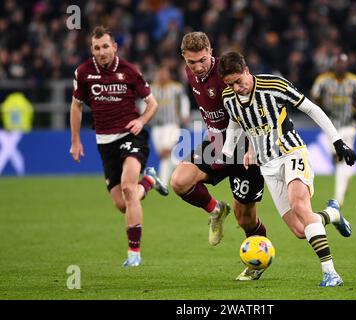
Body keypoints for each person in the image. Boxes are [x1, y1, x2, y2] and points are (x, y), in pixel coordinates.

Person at [218, 51, 356, 287]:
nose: (236, 88)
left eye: (239, 81)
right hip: (267, 166)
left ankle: (331, 273)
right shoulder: (228, 97)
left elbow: (311, 109)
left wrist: (337, 140)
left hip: (291, 152)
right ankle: (332, 214)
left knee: (299, 204)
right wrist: (229, 152)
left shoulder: (274, 86)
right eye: (230, 84)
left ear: (247, 71)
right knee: (301, 230)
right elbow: (235, 121)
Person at [170, 32, 267, 281]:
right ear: (184, 59)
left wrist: (253, 147)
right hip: (217, 142)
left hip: (245, 145)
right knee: (179, 181)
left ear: (211, 51)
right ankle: (215, 210)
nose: (199, 67)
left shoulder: (227, 74)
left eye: (203, 60)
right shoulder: (190, 73)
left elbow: (254, 104)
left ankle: (258, 261)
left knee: (245, 218)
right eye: (192, 62)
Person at [69, 26, 169, 267]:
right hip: (105, 143)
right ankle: (150, 181)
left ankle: (134, 253)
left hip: (131, 137)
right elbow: (76, 106)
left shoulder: (129, 71)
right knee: (123, 204)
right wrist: (75, 140)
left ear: (114, 47)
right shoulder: (83, 73)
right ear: (91, 50)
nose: (102, 52)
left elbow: (152, 104)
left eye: (105, 46)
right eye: (96, 48)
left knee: (127, 187)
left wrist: (141, 120)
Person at [311, 53, 356, 206]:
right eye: (338, 63)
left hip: (348, 125)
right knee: (337, 158)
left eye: (343, 63)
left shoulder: (355, 81)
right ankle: (346, 178)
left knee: (340, 158)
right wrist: (320, 111)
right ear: (334, 64)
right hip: (330, 125)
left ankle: (338, 198)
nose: (340, 66)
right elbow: (314, 96)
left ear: (347, 65)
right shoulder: (323, 81)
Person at [146, 65, 190, 185]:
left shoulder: (176, 88)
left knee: (166, 151)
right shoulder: (151, 89)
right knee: (165, 155)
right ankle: (185, 170)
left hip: (172, 125)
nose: (161, 75)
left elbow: (184, 101)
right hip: (156, 126)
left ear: (169, 74)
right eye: (159, 73)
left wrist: (184, 115)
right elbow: (144, 104)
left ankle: (163, 182)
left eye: (164, 72)